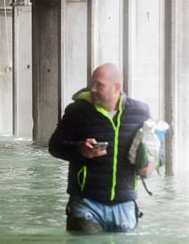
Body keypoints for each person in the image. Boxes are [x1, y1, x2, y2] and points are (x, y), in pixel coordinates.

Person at [48, 63, 150, 233]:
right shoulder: (77, 111)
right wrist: (80, 150)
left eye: (99, 85)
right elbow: (55, 146)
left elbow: (155, 151)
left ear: (117, 87)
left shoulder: (140, 112)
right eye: (92, 83)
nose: (93, 89)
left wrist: (149, 165)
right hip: (86, 203)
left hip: (125, 205)